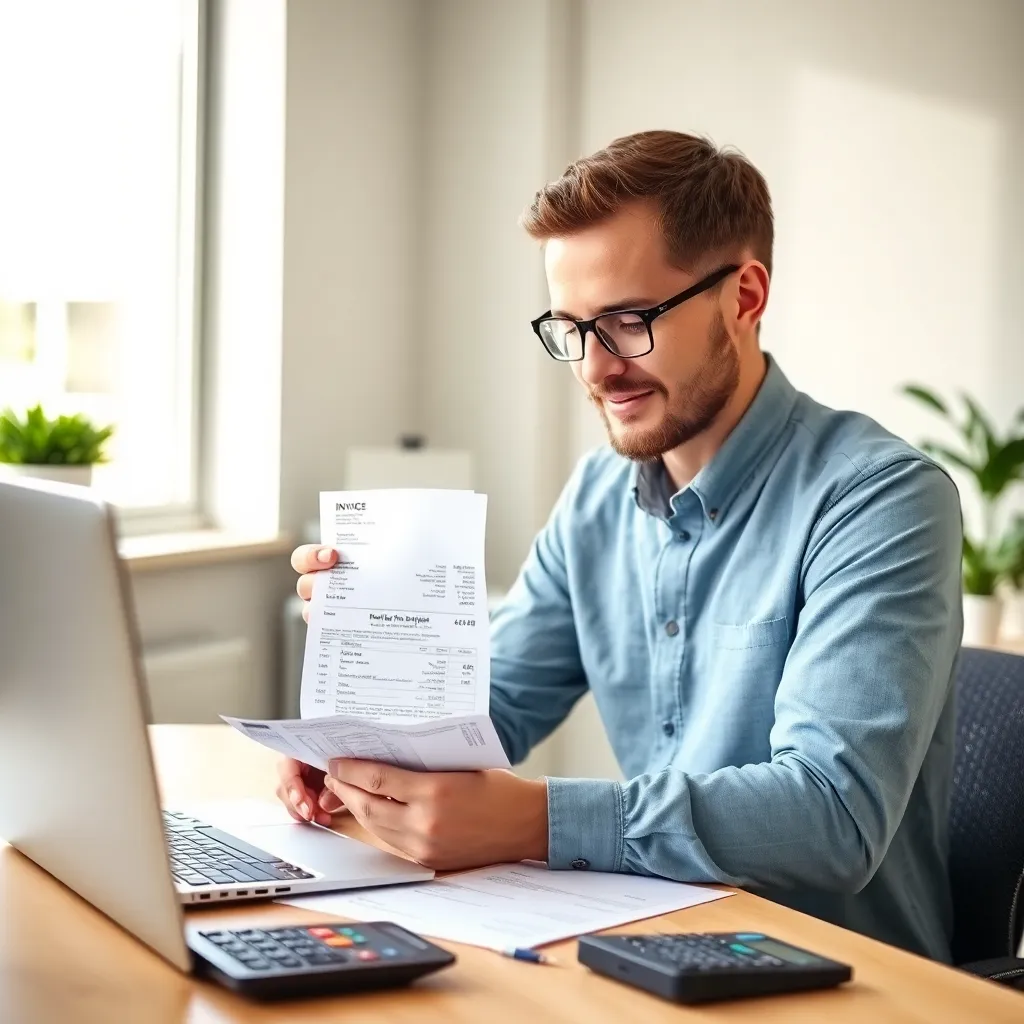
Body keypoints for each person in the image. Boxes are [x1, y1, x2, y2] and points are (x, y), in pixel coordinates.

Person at [279, 131, 963, 962]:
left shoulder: (880, 500)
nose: (597, 368)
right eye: (571, 329)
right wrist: (362, 716)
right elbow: (486, 714)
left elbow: (832, 815)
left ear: (744, 297)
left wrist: (537, 818)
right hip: (650, 942)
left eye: (628, 320)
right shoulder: (600, 498)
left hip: (842, 981)